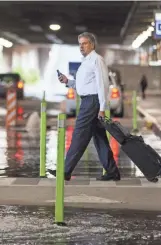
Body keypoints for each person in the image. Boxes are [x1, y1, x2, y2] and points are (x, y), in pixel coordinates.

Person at [49, 32, 120, 181]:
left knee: (79, 135)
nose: (81, 46)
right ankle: (112, 171)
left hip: (92, 103)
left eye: (85, 43)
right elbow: (83, 86)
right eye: (80, 44)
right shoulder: (86, 62)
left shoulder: (96, 60)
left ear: (92, 44)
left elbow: (102, 85)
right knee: (100, 138)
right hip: (88, 100)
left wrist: (102, 108)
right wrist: (67, 81)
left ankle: (66, 171)